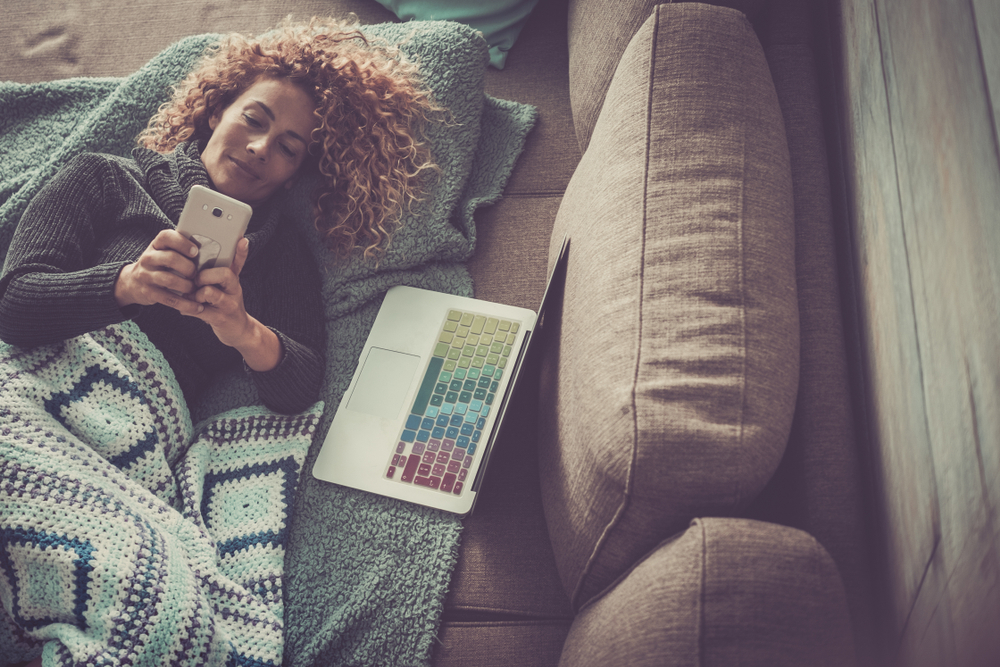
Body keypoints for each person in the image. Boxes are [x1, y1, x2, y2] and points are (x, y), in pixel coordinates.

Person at [0, 17, 440, 416]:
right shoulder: (104, 176)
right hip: (30, 391)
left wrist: (242, 330)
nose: (260, 147)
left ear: (293, 177)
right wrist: (128, 283)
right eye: (253, 119)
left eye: (288, 148)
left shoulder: (282, 253)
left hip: (136, 436)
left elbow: (300, 389)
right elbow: (12, 304)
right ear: (215, 112)